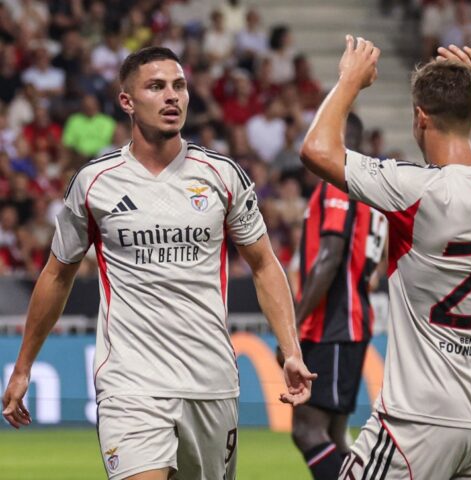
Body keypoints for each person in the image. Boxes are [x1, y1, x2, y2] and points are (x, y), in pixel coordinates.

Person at [2, 47, 315, 480]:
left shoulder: (222, 175)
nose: (172, 96)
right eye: (156, 86)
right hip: (130, 381)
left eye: (179, 86)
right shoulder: (94, 184)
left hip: (210, 381)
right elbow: (57, 274)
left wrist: (291, 350)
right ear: (127, 101)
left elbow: (264, 265)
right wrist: (22, 367)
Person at [300, 36, 471, 479]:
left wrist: (349, 81)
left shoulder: (416, 190)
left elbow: (316, 151)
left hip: (418, 420)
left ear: (420, 118)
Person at [288, 112, 388, 479]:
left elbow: (329, 258)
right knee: (333, 434)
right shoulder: (370, 187)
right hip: (351, 321)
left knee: (307, 430)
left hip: (333, 324)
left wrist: (293, 325)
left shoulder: (338, 185)